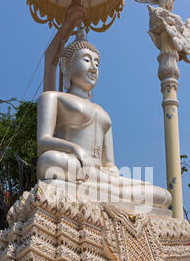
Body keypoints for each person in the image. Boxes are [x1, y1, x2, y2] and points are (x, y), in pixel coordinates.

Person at [36, 29, 171, 214]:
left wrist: (112, 173)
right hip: (73, 165)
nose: (93, 68)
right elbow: (43, 140)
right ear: (66, 65)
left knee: (164, 197)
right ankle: (114, 192)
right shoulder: (53, 97)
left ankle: (112, 191)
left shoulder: (103, 113)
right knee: (48, 161)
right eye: (86, 60)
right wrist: (74, 149)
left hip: (99, 176)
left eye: (97, 63)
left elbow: (109, 163)